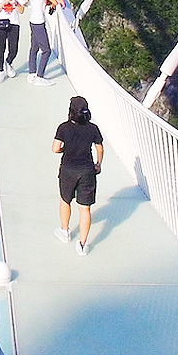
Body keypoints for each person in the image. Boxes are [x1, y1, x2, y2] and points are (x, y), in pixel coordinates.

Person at [52, 95, 103, 255]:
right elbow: (99, 148)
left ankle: (65, 231)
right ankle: (82, 244)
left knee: (65, 200)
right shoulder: (93, 128)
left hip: (68, 169)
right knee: (85, 209)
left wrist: (64, 149)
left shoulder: (64, 128)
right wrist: (98, 164)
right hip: (87, 170)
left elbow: (55, 148)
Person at [27, 0, 63, 85]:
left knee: (34, 48)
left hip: (33, 21)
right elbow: (54, 1)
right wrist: (57, 0)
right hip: (38, 23)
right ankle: (39, 76)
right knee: (46, 50)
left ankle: (32, 72)